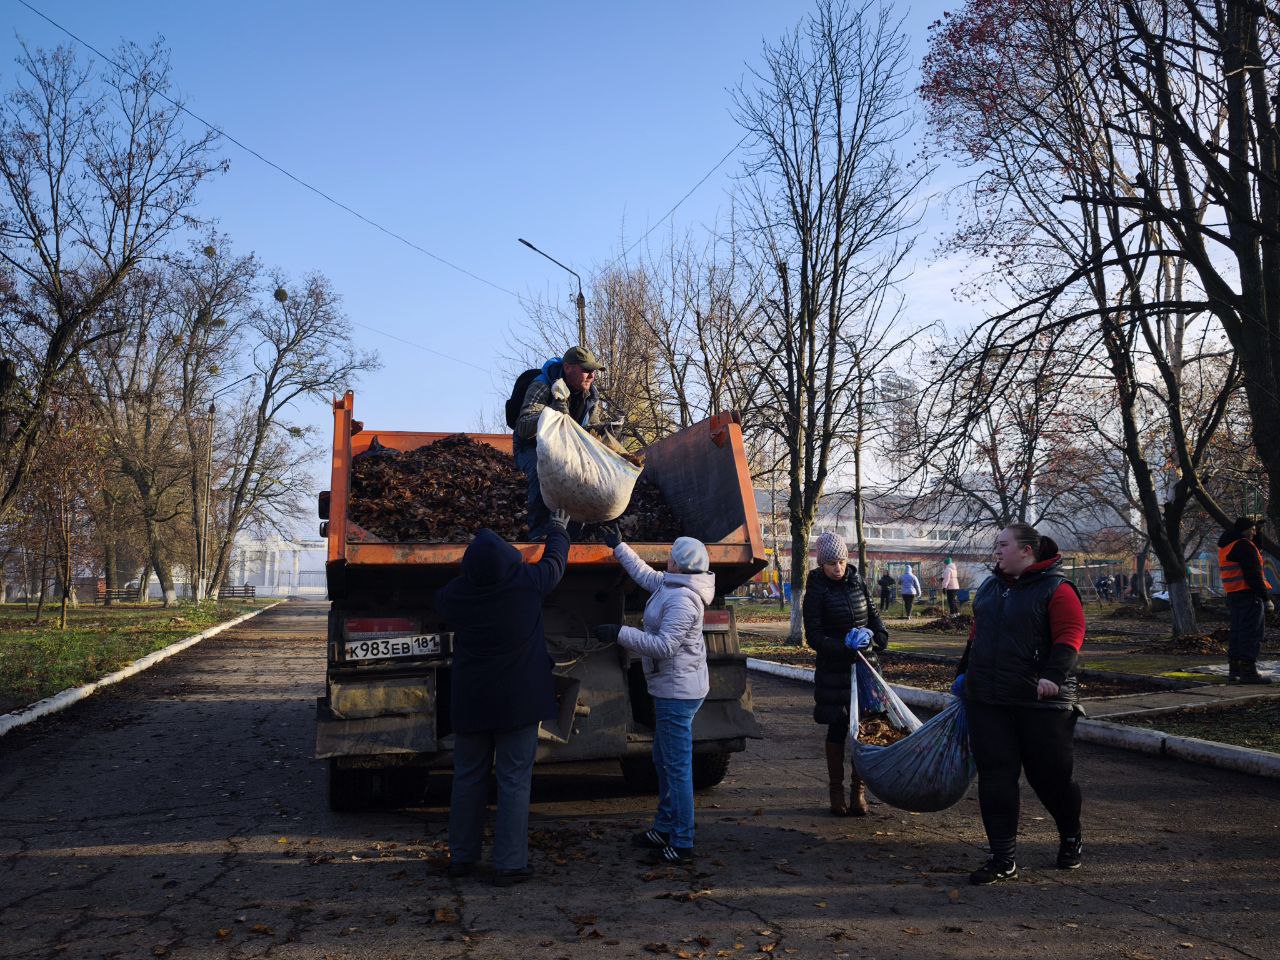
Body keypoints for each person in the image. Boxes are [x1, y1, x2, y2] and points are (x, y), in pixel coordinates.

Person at [434, 509, 571, 886]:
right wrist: (558, 529)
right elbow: (556, 563)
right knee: (513, 781)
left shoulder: (457, 597)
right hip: (518, 705)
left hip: (472, 704)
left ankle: (461, 857)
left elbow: (443, 599)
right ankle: (509, 864)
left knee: (467, 777)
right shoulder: (526, 584)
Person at [952, 522, 1086, 886]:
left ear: (1026, 550)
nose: (996, 552)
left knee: (1051, 779)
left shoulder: (1057, 588)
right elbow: (977, 636)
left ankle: (1071, 835)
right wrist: (964, 675)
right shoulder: (991, 588)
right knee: (996, 776)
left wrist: (1053, 677)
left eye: (1002, 545)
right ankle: (1002, 857)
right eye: (995, 545)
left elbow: (1071, 636)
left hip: (1042, 703)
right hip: (989, 699)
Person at [594, 531, 714, 865]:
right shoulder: (673, 584)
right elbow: (646, 575)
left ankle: (682, 841)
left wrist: (619, 633)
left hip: (678, 692)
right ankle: (664, 827)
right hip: (671, 686)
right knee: (663, 760)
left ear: (679, 562)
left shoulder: (683, 599)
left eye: (671, 554)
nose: (666, 558)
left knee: (677, 768)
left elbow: (664, 646)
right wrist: (618, 545)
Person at [802, 533, 889, 816]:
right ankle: (836, 791)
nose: (838, 568)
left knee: (864, 729)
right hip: (835, 670)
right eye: (831, 563)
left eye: (841, 561)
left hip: (865, 667)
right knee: (839, 727)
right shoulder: (816, 589)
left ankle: (858, 791)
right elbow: (814, 636)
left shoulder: (858, 581)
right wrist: (842, 646)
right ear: (821, 564)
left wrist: (876, 635)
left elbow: (876, 619)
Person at [512, 346, 606, 540]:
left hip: (566, 448)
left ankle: (574, 535)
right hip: (531, 446)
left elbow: (592, 430)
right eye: (586, 370)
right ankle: (538, 533)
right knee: (544, 472)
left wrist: (605, 433)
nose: (591, 376)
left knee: (586, 476)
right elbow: (523, 426)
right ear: (568, 368)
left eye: (593, 371)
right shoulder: (542, 385)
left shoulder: (591, 396)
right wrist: (553, 413)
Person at [1217, 517, 1275, 685]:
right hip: (1249, 594)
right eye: (1253, 529)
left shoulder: (1229, 544)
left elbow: (1255, 548)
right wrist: (1266, 598)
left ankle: (1234, 670)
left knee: (1237, 632)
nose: (1254, 532)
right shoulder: (1244, 546)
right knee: (1251, 632)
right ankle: (1248, 672)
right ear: (1244, 530)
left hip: (1234, 594)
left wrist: (1260, 531)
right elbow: (1253, 574)